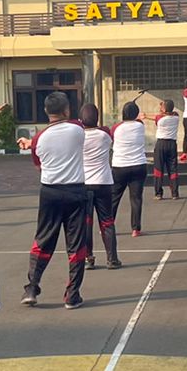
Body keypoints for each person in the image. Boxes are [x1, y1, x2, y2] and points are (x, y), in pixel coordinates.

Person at [17, 93, 91, 309]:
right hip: (76, 191)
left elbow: (39, 165)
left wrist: (31, 143)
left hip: (50, 191)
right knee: (76, 244)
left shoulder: (40, 138)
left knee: (43, 240)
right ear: (67, 110)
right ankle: (72, 295)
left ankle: (32, 288)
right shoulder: (78, 129)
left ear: (46, 111)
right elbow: (85, 121)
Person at [80, 104, 122, 269]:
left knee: (86, 223)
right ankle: (112, 258)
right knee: (107, 222)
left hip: (84, 183)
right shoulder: (105, 134)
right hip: (103, 182)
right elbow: (106, 129)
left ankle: (88, 258)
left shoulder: (78, 136)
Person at [110, 101, 149, 238]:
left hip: (120, 166)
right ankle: (135, 229)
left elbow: (111, 137)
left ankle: (107, 226)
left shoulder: (116, 128)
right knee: (136, 198)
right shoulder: (140, 126)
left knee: (114, 197)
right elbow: (138, 121)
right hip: (138, 165)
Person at [150, 99, 181, 199]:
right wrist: (164, 109)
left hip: (161, 144)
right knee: (173, 169)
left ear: (164, 109)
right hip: (172, 144)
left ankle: (158, 193)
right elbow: (169, 113)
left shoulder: (160, 118)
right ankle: (175, 193)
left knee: (158, 169)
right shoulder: (176, 116)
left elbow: (156, 117)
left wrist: (145, 116)